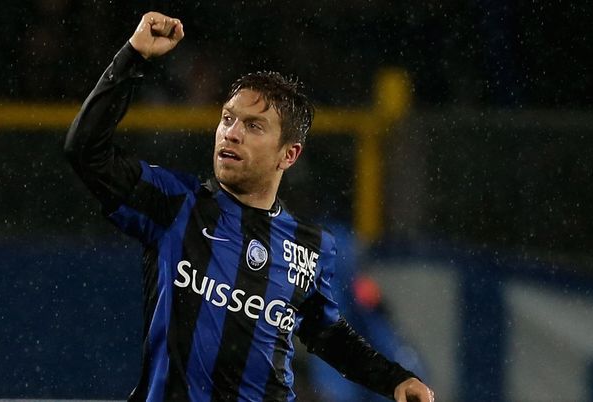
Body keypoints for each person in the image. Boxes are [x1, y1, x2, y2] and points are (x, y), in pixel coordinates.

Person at [64, 11, 435, 402]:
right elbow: (85, 151)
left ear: (289, 154)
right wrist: (133, 56)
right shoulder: (175, 204)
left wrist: (395, 379)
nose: (232, 133)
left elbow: (326, 334)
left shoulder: (310, 246)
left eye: (253, 126)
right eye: (228, 119)